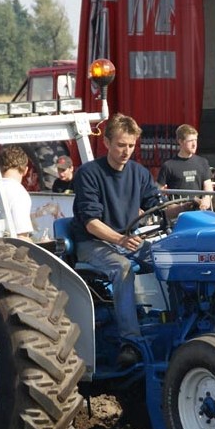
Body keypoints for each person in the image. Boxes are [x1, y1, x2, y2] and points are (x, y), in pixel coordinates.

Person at [71, 113, 163, 362]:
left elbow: (157, 206)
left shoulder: (139, 173)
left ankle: (173, 322)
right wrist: (120, 240)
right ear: (107, 143)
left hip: (127, 241)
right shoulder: (89, 173)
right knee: (122, 268)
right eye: (121, 145)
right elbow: (91, 223)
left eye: (131, 145)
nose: (126, 151)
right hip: (93, 243)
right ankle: (130, 342)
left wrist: (187, 206)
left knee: (167, 260)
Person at [157, 124, 213, 210]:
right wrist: (170, 207)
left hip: (199, 212)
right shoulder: (168, 165)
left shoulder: (202, 162)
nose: (194, 144)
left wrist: (206, 200)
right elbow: (159, 191)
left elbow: (208, 186)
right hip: (178, 213)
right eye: (190, 141)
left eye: (195, 140)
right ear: (180, 142)